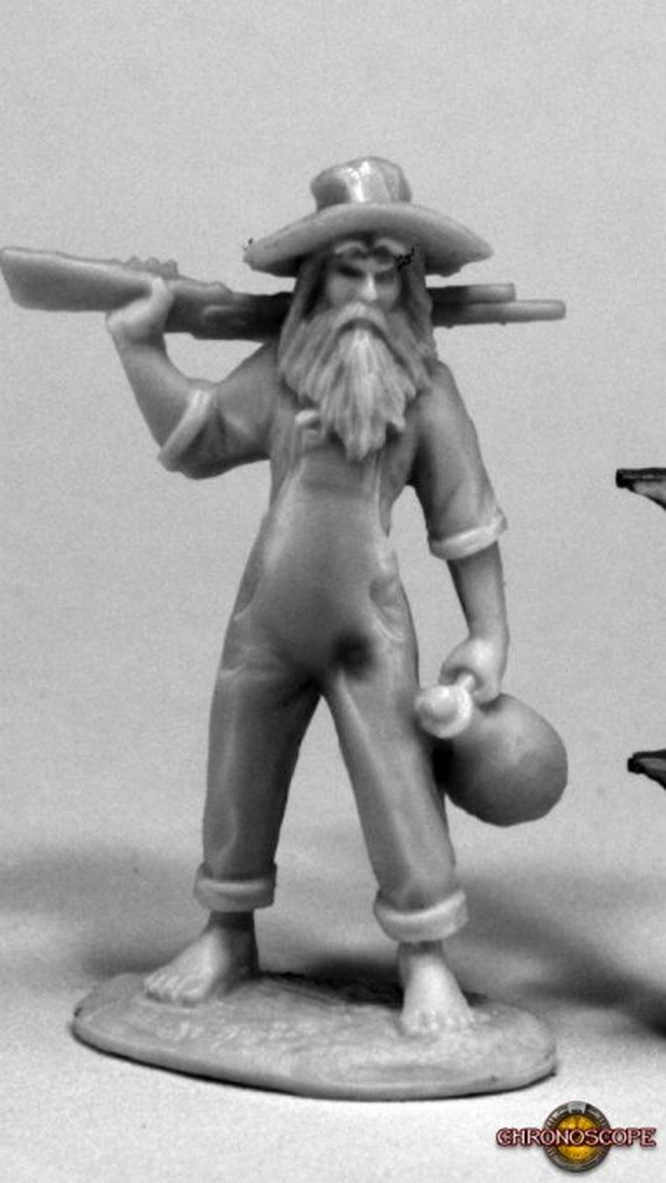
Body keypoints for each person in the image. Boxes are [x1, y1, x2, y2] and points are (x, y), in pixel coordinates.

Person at [106, 158, 516, 1034]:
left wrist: (488, 631)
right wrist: (140, 348)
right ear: (313, 281)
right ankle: (225, 933)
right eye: (346, 272)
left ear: (409, 285)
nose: (366, 294)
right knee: (238, 766)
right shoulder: (281, 373)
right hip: (268, 618)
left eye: (385, 274)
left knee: (399, 780)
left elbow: (466, 519)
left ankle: (425, 954)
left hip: (370, 626)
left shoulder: (429, 393)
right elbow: (197, 437)